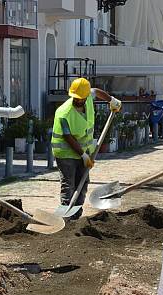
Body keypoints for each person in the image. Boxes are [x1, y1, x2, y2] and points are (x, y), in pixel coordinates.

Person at [52, 77, 122, 220]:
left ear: (85, 96)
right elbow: (67, 136)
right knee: (69, 184)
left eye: (80, 98)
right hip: (65, 153)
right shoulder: (63, 112)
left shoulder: (88, 96)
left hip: (84, 150)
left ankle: (76, 217)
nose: (77, 100)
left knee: (82, 184)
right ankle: (66, 219)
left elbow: (96, 91)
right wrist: (83, 156)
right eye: (74, 97)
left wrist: (111, 100)